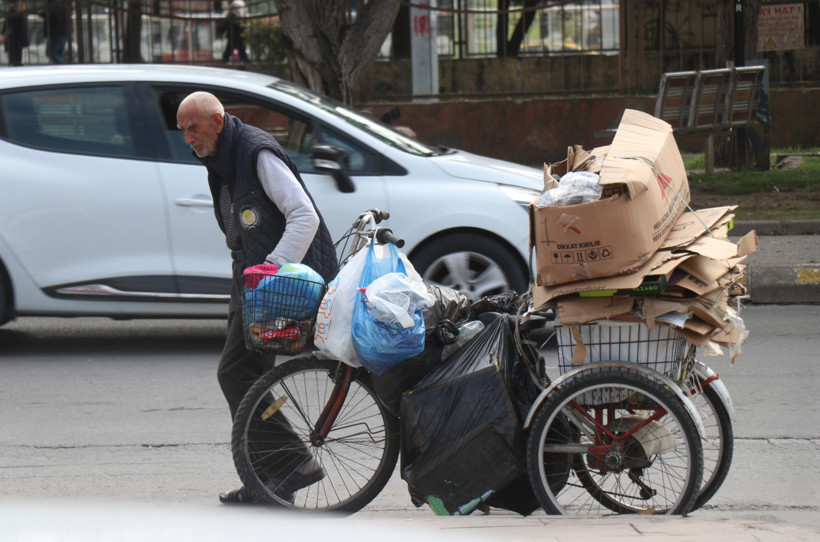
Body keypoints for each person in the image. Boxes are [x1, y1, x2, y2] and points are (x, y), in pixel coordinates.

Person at [176, 91, 339, 504]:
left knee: (236, 373)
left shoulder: (255, 153)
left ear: (217, 121)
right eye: (182, 131)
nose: (188, 139)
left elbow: (304, 215)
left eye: (193, 128)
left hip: (277, 279)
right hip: (251, 275)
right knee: (248, 376)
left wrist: (274, 265)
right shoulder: (223, 157)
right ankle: (268, 480)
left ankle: (292, 465)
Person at [39, 0, 68, 64]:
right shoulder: (63, 4)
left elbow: (52, 16)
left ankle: (63, 62)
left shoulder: (55, 4)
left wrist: (41, 14)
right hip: (63, 32)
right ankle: (61, 63)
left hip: (56, 33)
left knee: (50, 53)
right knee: (59, 53)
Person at [1, 0, 29, 67]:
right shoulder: (18, 13)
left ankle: (15, 63)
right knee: (16, 57)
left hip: (14, 39)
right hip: (17, 39)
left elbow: (10, 27)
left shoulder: (14, 13)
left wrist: (4, 38)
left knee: (14, 57)